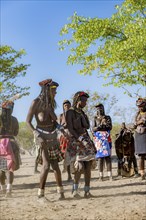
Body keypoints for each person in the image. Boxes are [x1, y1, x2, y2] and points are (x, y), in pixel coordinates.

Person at [26, 79, 65, 201]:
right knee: (46, 166)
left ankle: (61, 193)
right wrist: (36, 134)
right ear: (46, 89)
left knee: (56, 166)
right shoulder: (35, 103)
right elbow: (28, 121)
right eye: (54, 90)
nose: (56, 93)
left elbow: (54, 120)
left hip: (52, 136)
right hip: (41, 136)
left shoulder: (51, 103)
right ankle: (40, 195)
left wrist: (60, 127)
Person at [65, 91, 96, 198]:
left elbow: (87, 126)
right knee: (79, 167)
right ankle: (75, 190)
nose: (86, 103)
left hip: (86, 139)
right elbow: (70, 128)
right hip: (76, 141)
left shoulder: (82, 113)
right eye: (84, 101)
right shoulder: (70, 112)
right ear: (78, 100)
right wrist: (80, 138)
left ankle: (87, 191)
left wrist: (82, 116)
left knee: (88, 167)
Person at [0, 100, 21, 197]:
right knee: (10, 169)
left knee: (1, 169)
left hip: (1, 144)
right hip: (11, 145)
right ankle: (9, 190)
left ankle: (3, 188)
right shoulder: (14, 120)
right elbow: (16, 133)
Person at [92, 103, 112, 181]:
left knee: (108, 157)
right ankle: (101, 176)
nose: (99, 109)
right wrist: (100, 126)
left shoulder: (107, 117)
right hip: (98, 139)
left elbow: (110, 127)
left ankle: (110, 175)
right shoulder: (95, 118)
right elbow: (93, 128)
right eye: (97, 108)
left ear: (103, 108)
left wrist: (104, 126)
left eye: (100, 108)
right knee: (100, 158)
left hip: (107, 138)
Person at [58, 100, 72, 182]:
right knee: (67, 156)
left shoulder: (74, 115)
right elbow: (59, 127)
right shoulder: (61, 116)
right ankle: (69, 175)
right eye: (65, 105)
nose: (66, 106)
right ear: (63, 106)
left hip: (73, 136)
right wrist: (63, 130)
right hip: (64, 137)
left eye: (68, 105)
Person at [134, 97, 146, 180]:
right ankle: (142, 172)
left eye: (141, 106)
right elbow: (134, 123)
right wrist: (140, 122)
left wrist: (139, 122)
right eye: (138, 106)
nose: (140, 108)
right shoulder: (137, 113)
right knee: (140, 155)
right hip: (138, 135)